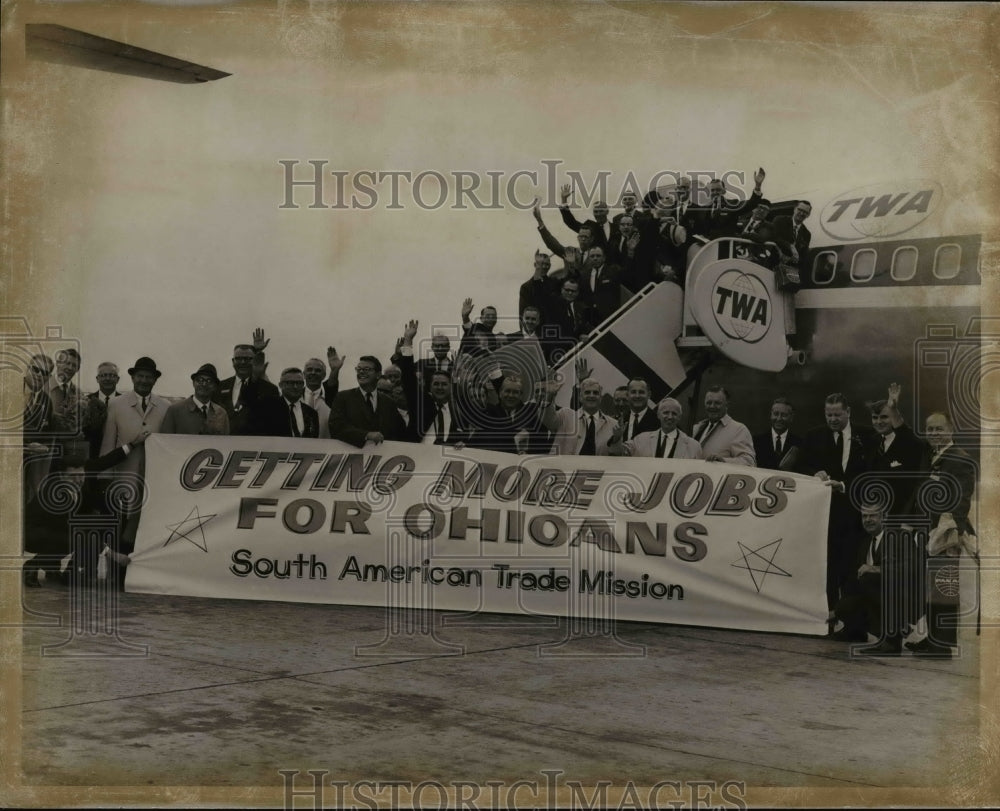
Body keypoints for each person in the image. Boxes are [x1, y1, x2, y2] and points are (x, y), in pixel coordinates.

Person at [22, 432, 149, 588]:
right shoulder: (55, 494)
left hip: (54, 530)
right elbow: (75, 530)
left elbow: (106, 461)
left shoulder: (83, 472)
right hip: (31, 535)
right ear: (61, 475)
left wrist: (133, 443)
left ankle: (59, 570)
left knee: (80, 532)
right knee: (74, 540)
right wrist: (112, 554)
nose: (78, 480)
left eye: (81, 475)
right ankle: (31, 566)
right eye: (72, 477)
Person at [904, 412, 977, 658]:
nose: (934, 434)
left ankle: (942, 645)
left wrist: (949, 532)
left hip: (946, 533)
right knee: (930, 587)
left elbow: (962, 500)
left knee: (944, 587)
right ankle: (932, 639)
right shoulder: (932, 454)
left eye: (939, 429)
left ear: (951, 430)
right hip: (927, 530)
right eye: (930, 429)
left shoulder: (961, 459)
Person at [798, 393, 874, 612]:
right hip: (824, 515)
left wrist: (845, 485)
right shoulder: (814, 436)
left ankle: (852, 620)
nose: (832, 419)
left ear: (848, 412)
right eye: (828, 414)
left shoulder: (867, 436)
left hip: (856, 514)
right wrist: (814, 473)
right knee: (828, 566)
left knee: (853, 567)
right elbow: (800, 465)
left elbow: (871, 471)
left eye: (837, 414)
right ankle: (829, 614)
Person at [99, 356, 170, 565]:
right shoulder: (116, 404)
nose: (144, 381)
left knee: (142, 524)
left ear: (155, 380)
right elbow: (108, 442)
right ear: (132, 378)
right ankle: (115, 571)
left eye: (149, 377)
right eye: (140, 376)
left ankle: (137, 570)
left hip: (150, 477)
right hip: (122, 475)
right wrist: (105, 478)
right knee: (118, 523)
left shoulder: (165, 406)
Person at [832, 504, 918, 655]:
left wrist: (876, 569)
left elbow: (912, 569)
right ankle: (855, 632)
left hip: (905, 596)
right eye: (864, 516)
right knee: (847, 601)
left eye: (872, 516)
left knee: (869, 579)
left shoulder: (899, 536)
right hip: (881, 593)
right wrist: (837, 611)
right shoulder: (865, 543)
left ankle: (892, 641)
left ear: (884, 517)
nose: (868, 520)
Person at [397, 320, 470, 446]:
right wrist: (408, 340)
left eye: (444, 384)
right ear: (429, 386)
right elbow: (408, 376)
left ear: (451, 387)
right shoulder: (421, 406)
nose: (440, 388)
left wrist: (464, 443)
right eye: (436, 384)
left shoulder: (459, 412)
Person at [329, 355, 407, 447]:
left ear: (378, 374)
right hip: (352, 457)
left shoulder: (389, 402)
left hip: (382, 458)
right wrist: (366, 435)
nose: (361, 372)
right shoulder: (343, 397)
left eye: (366, 369)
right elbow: (336, 427)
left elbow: (400, 432)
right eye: (359, 369)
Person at [213, 329, 279, 434]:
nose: (243, 362)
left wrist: (258, 352)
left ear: (255, 361)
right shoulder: (219, 387)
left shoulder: (270, 389)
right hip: (224, 444)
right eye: (239, 359)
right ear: (232, 361)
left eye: (248, 359)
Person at [469, 374, 547, 455]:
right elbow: (475, 444)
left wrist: (528, 452)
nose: (511, 395)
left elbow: (543, 443)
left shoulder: (531, 414)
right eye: (507, 391)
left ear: (521, 395)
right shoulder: (488, 415)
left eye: (515, 392)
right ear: (500, 393)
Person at [543, 377, 616, 456]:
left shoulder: (613, 424)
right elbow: (548, 421)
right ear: (580, 397)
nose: (591, 395)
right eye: (587, 392)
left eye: (595, 393)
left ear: (601, 398)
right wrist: (548, 397)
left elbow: (616, 455)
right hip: (566, 467)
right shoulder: (566, 416)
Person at [610, 397, 702, 459]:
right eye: (665, 413)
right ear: (658, 415)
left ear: (679, 417)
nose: (670, 417)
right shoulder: (641, 439)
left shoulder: (694, 446)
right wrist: (617, 438)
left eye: (674, 413)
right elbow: (618, 455)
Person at [22, 353, 56, 507]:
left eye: (45, 373)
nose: (39, 375)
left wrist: (45, 447)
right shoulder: (6, 391)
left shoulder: (46, 401)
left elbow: (48, 434)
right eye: (36, 369)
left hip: (29, 468)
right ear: (28, 368)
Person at [691, 386, 756, 466]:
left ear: (727, 405)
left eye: (717, 403)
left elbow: (749, 462)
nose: (712, 406)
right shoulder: (697, 428)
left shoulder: (738, 430)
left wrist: (723, 461)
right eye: (709, 403)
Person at [161, 363, 231, 435]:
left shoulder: (221, 414)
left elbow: (224, 443)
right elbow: (164, 441)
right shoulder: (175, 410)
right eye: (200, 380)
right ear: (193, 383)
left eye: (209, 381)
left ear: (215, 386)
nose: (204, 384)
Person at [252, 368, 320, 438]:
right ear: (280, 385)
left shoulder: (311, 413)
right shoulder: (268, 408)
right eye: (290, 383)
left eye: (299, 383)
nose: (295, 386)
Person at [81, 362, 122, 459]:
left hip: (116, 454)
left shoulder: (125, 401)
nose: (107, 378)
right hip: (91, 455)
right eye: (103, 375)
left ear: (117, 379)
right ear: (97, 379)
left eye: (111, 375)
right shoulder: (86, 401)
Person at [753, 397, 801, 471]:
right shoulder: (756, 441)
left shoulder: (800, 444)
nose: (779, 419)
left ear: (791, 417)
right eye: (775, 414)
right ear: (771, 415)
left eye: (784, 415)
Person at [558, 183, 612, 248]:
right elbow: (571, 222)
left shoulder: (616, 228)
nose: (598, 214)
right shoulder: (589, 226)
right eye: (596, 212)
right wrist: (564, 200)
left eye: (601, 211)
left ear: (607, 211)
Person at [770, 200, 813, 270]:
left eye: (805, 212)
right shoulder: (780, 220)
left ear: (808, 215)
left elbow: (803, 255)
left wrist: (794, 260)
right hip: (771, 265)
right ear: (794, 209)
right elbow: (773, 237)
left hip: (790, 270)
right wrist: (790, 246)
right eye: (800, 210)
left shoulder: (807, 234)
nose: (802, 213)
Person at [301, 357, 332, 438]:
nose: (313, 373)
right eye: (309, 369)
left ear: (324, 375)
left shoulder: (332, 401)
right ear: (303, 374)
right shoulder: (294, 398)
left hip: (325, 447)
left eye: (318, 370)